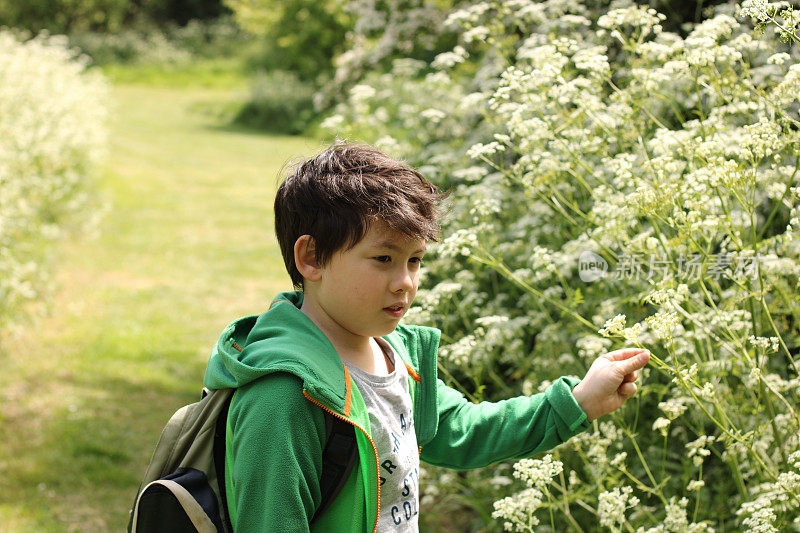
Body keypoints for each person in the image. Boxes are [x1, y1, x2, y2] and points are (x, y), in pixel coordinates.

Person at [202, 141, 650, 532]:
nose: (405, 283)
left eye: (415, 261)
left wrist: (578, 402)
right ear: (312, 258)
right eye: (383, 259)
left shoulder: (393, 353)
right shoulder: (285, 395)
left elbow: (464, 431)